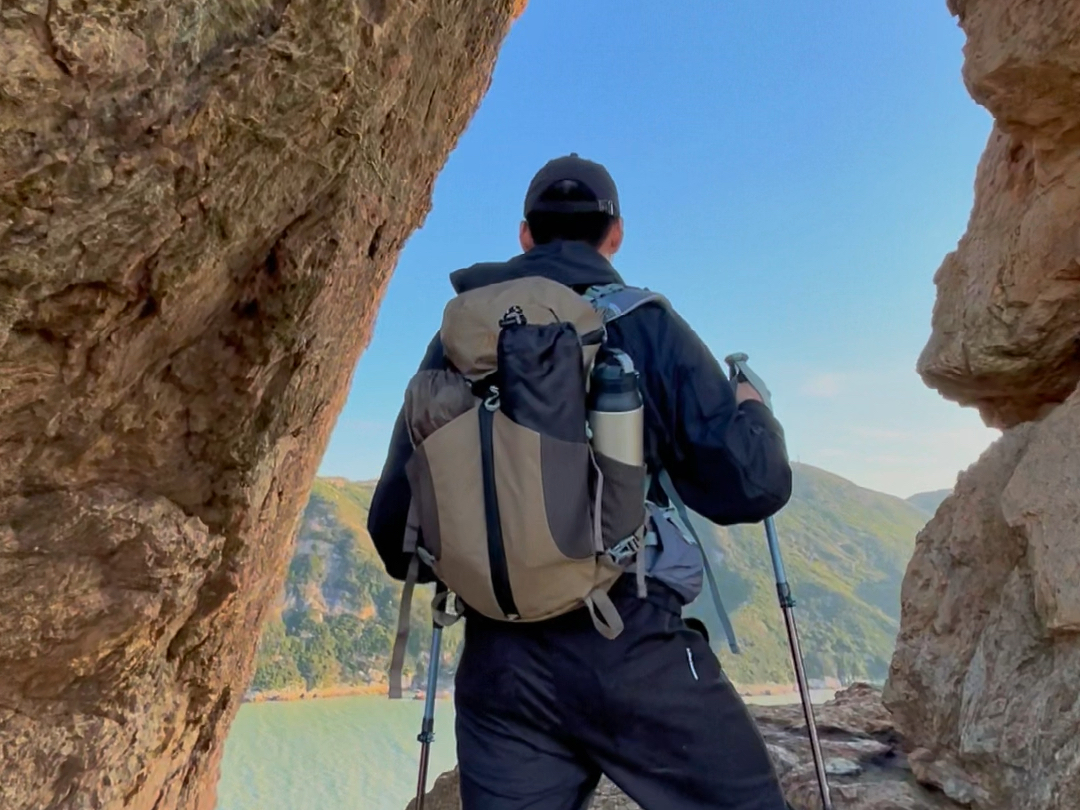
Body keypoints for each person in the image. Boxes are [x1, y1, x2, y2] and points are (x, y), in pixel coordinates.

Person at [368, 153, 794, 810]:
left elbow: (394, 535)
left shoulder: (455, 343)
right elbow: (750, 486)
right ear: (614, 234)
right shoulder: (643, 322)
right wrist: (752, 409)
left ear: (524, 234)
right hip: (627, 646)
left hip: (499, 670)